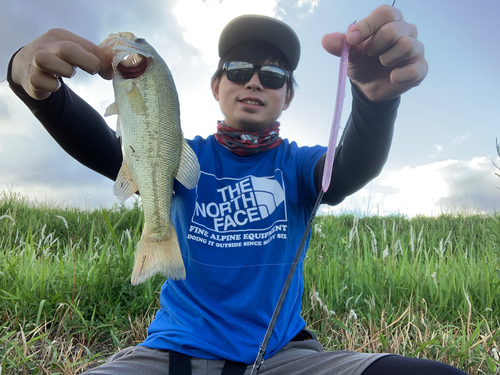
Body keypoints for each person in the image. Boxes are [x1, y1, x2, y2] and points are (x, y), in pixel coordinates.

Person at [8, 5, 467, 375]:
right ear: (215, 86)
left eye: (273, 77)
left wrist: (374, 102)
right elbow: (108, 151)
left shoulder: (300, 164)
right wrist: (34, 88)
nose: (254, 81)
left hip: (284, 358)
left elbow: (347, 171)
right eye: (240, 69)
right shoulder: (179, 153)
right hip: (168, 355)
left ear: (287, 96)